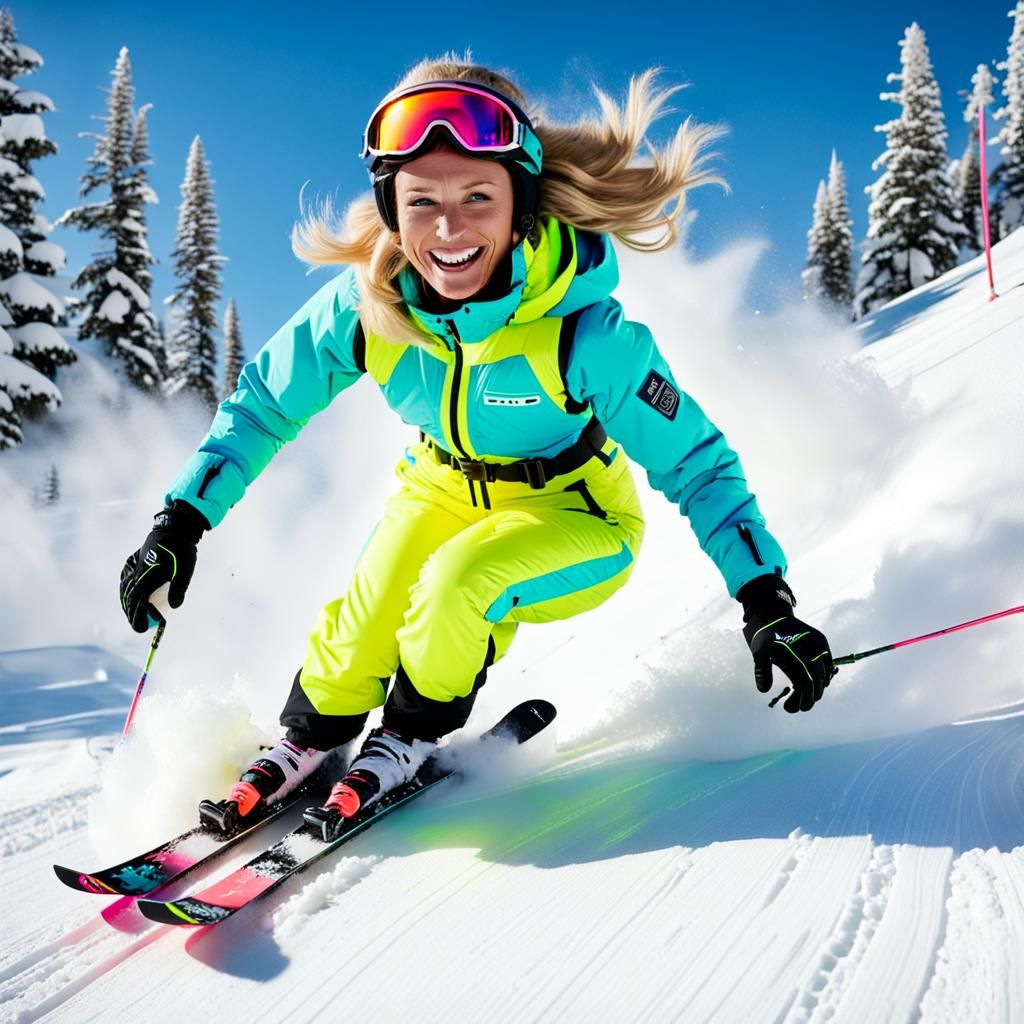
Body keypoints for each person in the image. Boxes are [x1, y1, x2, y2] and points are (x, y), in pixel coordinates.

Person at [119, 56, 836, 825]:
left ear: (522, 202)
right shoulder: (367, 306)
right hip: (439, 486)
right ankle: (310, 740)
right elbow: (263, 406)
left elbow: (697, 464)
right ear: (391, 208)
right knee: (367, 615)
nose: (449, 227)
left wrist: (765, 600)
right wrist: (181, 521)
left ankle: (406, 737)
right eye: (421, 199)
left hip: (576, 512)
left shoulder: (583, 333)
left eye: (477, 197)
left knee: (459, 581)